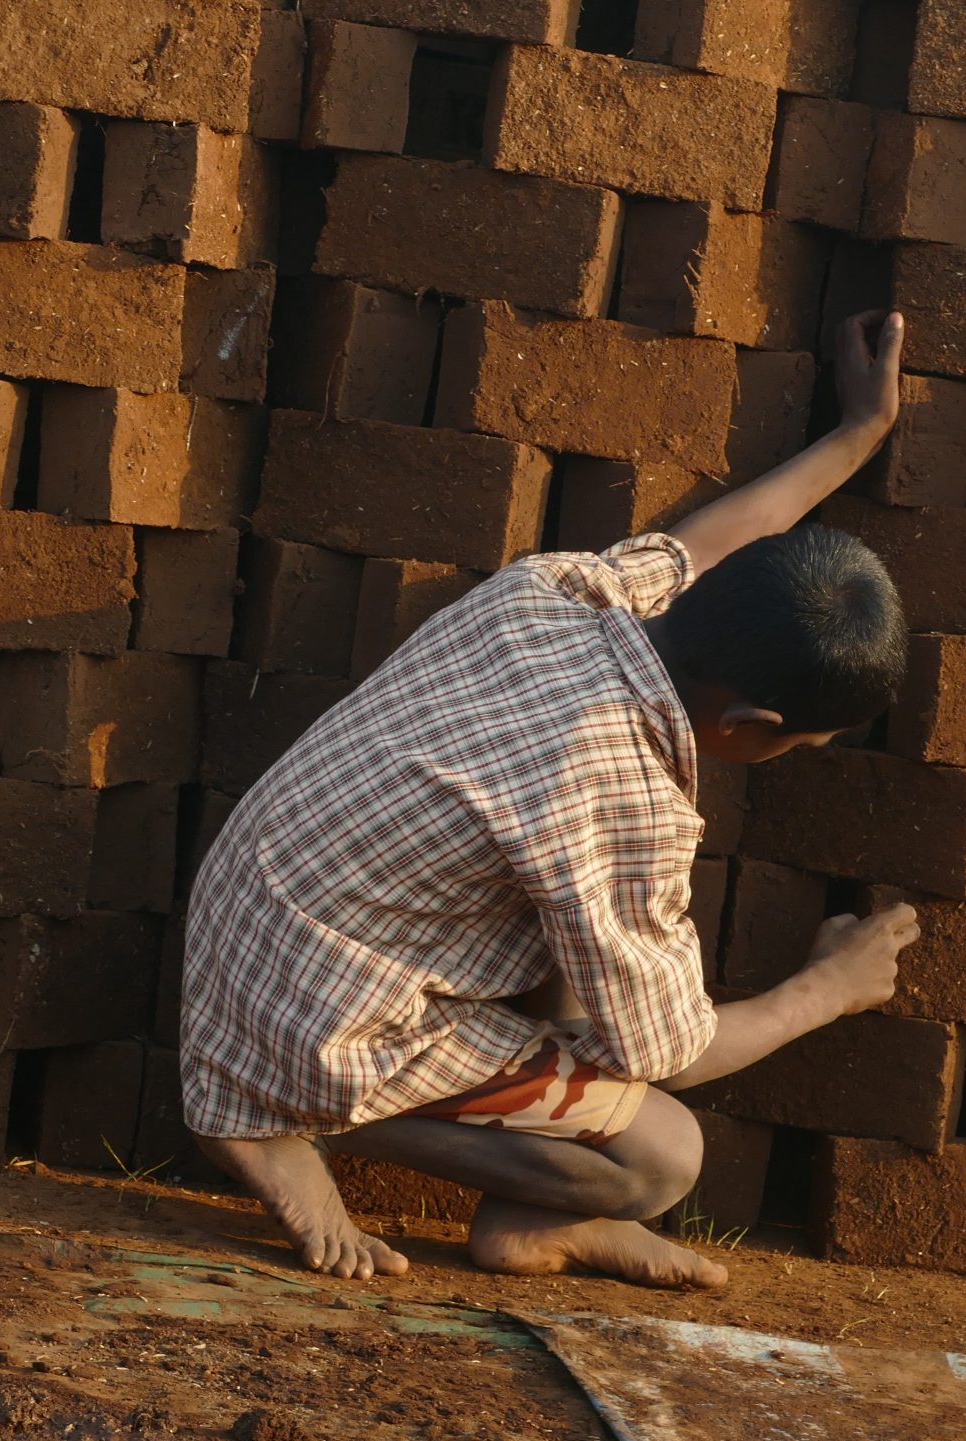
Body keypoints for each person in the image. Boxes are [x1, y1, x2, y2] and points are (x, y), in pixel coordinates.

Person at [180, 308, 924, 1288]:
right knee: (661, 1152)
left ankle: (408, 1155)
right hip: (309, 1018)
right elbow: (672, 1048)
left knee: (583, 953)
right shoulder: (623, 803)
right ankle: (270, 1121)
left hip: (247, 924)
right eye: (803, 742)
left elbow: (711, 542)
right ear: (745, 726)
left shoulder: (563, 592)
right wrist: (825, 990)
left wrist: (854, 434)